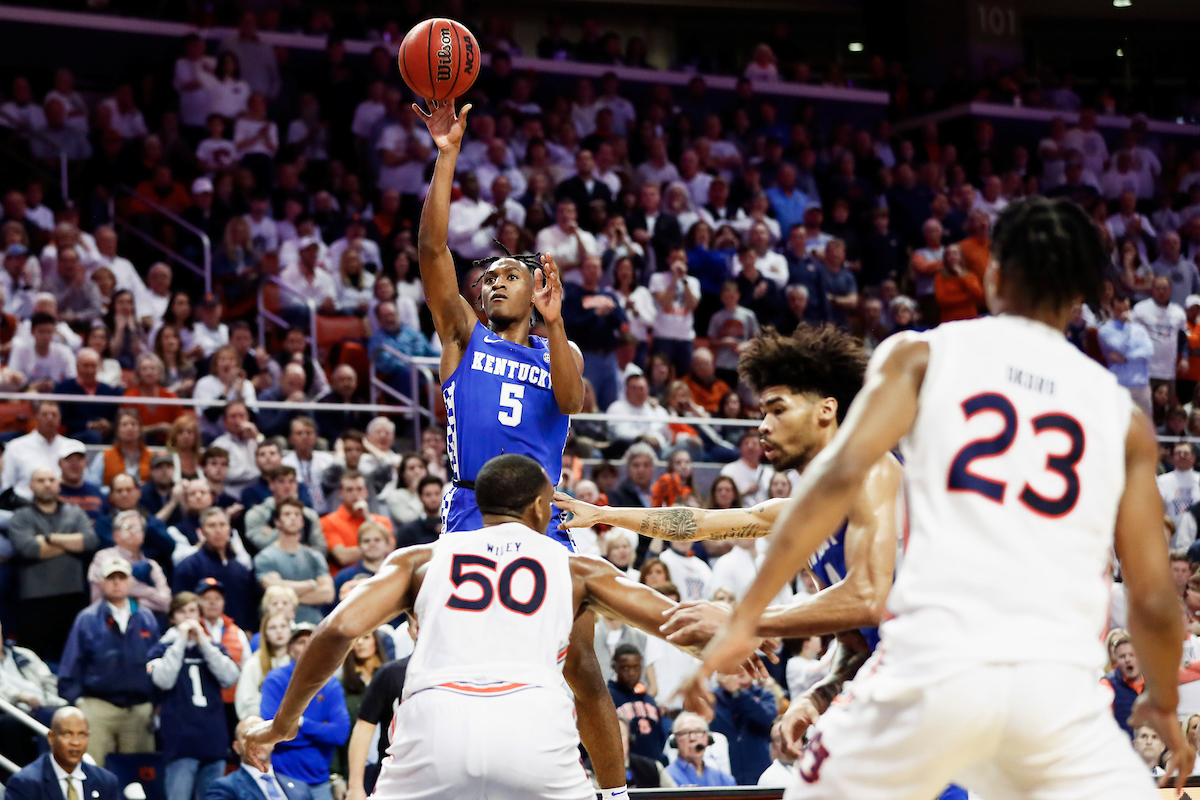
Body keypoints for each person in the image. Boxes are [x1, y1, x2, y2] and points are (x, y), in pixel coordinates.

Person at [692, 197, 1196, 797]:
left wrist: (747, 617)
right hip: (1057, 692)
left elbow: (834, 477)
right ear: (1082, 297)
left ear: (995, 274)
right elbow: (1155, 597)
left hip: (933, 668)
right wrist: (1164, 703)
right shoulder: (1123, 418)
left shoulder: (923, 354)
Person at [244, 454, 744, 800]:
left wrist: (283, 723)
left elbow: (335, 630)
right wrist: (743, 633)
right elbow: (674, 619)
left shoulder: (419, 560)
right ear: (540, 508)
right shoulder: (576, 568)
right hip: (532, 725)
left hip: (433, 727)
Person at [58, 556, 158, 767]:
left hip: (139, 710)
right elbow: (70, 664)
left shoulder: (147, 617)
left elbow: (158, 662)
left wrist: (156, 705)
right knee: (94, 772)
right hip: (98, 708)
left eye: (121, 577)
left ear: (131, 582)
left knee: (138, 777)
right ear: (101, 583)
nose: (116, 582)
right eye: (111, 578)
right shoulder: (86, 618)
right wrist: (78, 703)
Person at [148, 591, 240, 800]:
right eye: (182, 612)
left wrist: (204, 643)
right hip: (180, 742)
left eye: (192, 611)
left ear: (200, 616)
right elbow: (163, 680)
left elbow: (230, 677)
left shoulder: (214, 648)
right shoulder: (160, 649)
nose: (188, 617)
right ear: (172, 618)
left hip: (213, 739)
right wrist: (180, 641)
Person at [9, 466, 99, 661]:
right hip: (34, 601)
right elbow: (29, 548)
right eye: (41, 480)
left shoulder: (74, 512)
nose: (47, 484)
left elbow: (90, 541)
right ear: (31, 486)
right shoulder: (21, 516)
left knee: (72, 659)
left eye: (51, 479)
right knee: (33, 662)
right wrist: (71, 543)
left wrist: (48, 538)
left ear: (59, 484)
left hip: (72, 597)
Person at [259, 624, 349, 800]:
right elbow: (273, 733)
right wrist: (320, 732)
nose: (307, 646)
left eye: (313, 641)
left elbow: (339, 734)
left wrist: (300, 723)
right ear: (291, 648)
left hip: (320, 780)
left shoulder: (331, 685)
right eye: (301, 642)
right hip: (283, 777)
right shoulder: (275, 680)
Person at [346, 620, 415, 800]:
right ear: (411, 631)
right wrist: (355, 787)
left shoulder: (464, 673)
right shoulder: (392, 673)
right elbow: (363, 729)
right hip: (394, 775)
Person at [3, 707, 122, 800]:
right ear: (51, 737)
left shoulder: (106, 781)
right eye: (67, 734)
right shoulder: (26, 783)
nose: (75, 742)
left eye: (81, 735)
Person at [173, 507, 256, 630]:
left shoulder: (240, 569)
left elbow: (250, 605)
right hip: (201, 634)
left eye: (222, 525)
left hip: (237, 635)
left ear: (229, 529)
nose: (218, 531)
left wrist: (248, 630)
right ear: (202, 531)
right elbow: (180, 604)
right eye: (212, 526)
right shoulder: (189, 566)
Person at [254, 498, 334, 624]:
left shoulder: (314, 556)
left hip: (314, 625)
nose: (293, 518)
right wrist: (311, 584)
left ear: (302, 522)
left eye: (297, 514)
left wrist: (286, 596)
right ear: (277, 522)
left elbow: (328, 594)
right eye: (287, 514)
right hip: (280, 627)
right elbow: (272, 587)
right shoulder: (265, 557)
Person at [0, 619, 65, 765]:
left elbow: (48, 680)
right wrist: (18, 696)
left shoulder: (24, 654)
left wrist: (50, 699)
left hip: (42, 705)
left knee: (64, 714)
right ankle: (45, 768)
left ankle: (57, 766)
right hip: (11, 711)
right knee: (11, 724)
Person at [206, 715, 313, 800]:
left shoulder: (300, 787)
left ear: (273, 743)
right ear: (236, 747)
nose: (257, 741)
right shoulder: (223, 788)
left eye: (262, 735)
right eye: (247, 736)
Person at [87, 510, 171, 615]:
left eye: (136, 528)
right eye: (127, 528)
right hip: (104, 617)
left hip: (144, 621)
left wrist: (135, 602)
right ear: (115, 535)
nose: (132, 531)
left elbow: (166, 602)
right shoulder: (104, 557)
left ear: (143, 535)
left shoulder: (151, 564)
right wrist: (151, 593)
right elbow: (116, 590)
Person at [1, 401, 82, 500]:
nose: (49, 418)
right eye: (44, 414)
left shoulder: (73, 447)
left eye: (54, 415)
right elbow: (7, 484)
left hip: (65, 504)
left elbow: (82, 482)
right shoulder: (15, 446)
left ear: (60, 418)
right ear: (36, 417)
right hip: (24, 504)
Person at [709, 669, 777, 784]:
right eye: (735, 665)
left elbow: (765, 719)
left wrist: (738, 693)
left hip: (758, 771)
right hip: (724, 772)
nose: (741, 670)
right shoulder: (711, 699)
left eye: (746, 665)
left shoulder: (765, 695)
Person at [1131, 275, 1188, 404]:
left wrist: (1184, 358)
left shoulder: (1178, 312)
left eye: (1164, 288)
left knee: (1167, 410)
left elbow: (1184, 338)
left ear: (1170, 290)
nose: (1161, 291)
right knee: (1146, 409)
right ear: (1152, 289)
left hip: (1169, 371)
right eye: (1158, 288)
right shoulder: (1140, 309)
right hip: (1146, 371)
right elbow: (1130, 334)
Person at [320, 471, 392, 570]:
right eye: (349, 490)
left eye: (359, 489)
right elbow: (342, 557)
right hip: (346, 578)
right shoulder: (328, 522)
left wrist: (367, 517)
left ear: (366, 492)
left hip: (378, 574)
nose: (355, 494)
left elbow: (389, 550)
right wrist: (377, 549)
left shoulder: (382, 521)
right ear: (340, 494)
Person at [607, 643, 667, 764]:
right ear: (614, 667)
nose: (631, 673)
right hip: (626, 768)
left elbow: (660, 736)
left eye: (636, 667)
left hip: (653, 766)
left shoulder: (648, 699)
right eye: (625, 668)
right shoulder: (607, 698)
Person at [666, 712, 736, 787]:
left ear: (708, 739)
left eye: (698, 731)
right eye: (685, 733)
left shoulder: (724, 779)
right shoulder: (666, 777)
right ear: (675, 741)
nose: (692, 738)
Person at [1101, 632, 1143, 739]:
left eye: (1132, 655)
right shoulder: (1107, 684)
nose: (1127, 659)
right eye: (1122, 656)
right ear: (1116, 661)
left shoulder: (1153, 685)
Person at [393, 475, 442, 548]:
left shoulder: (452, 527)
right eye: (428, 495)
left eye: (437, 494)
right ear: (420, 497)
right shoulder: (408, 531)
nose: (433, 499)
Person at [1159, 442, 1199, 529]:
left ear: (1193, 457)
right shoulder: (1162, 481)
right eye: (1178, 453)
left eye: (1186, 453)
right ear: (1173, 457)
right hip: (1170, 530)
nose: (1182, 456)